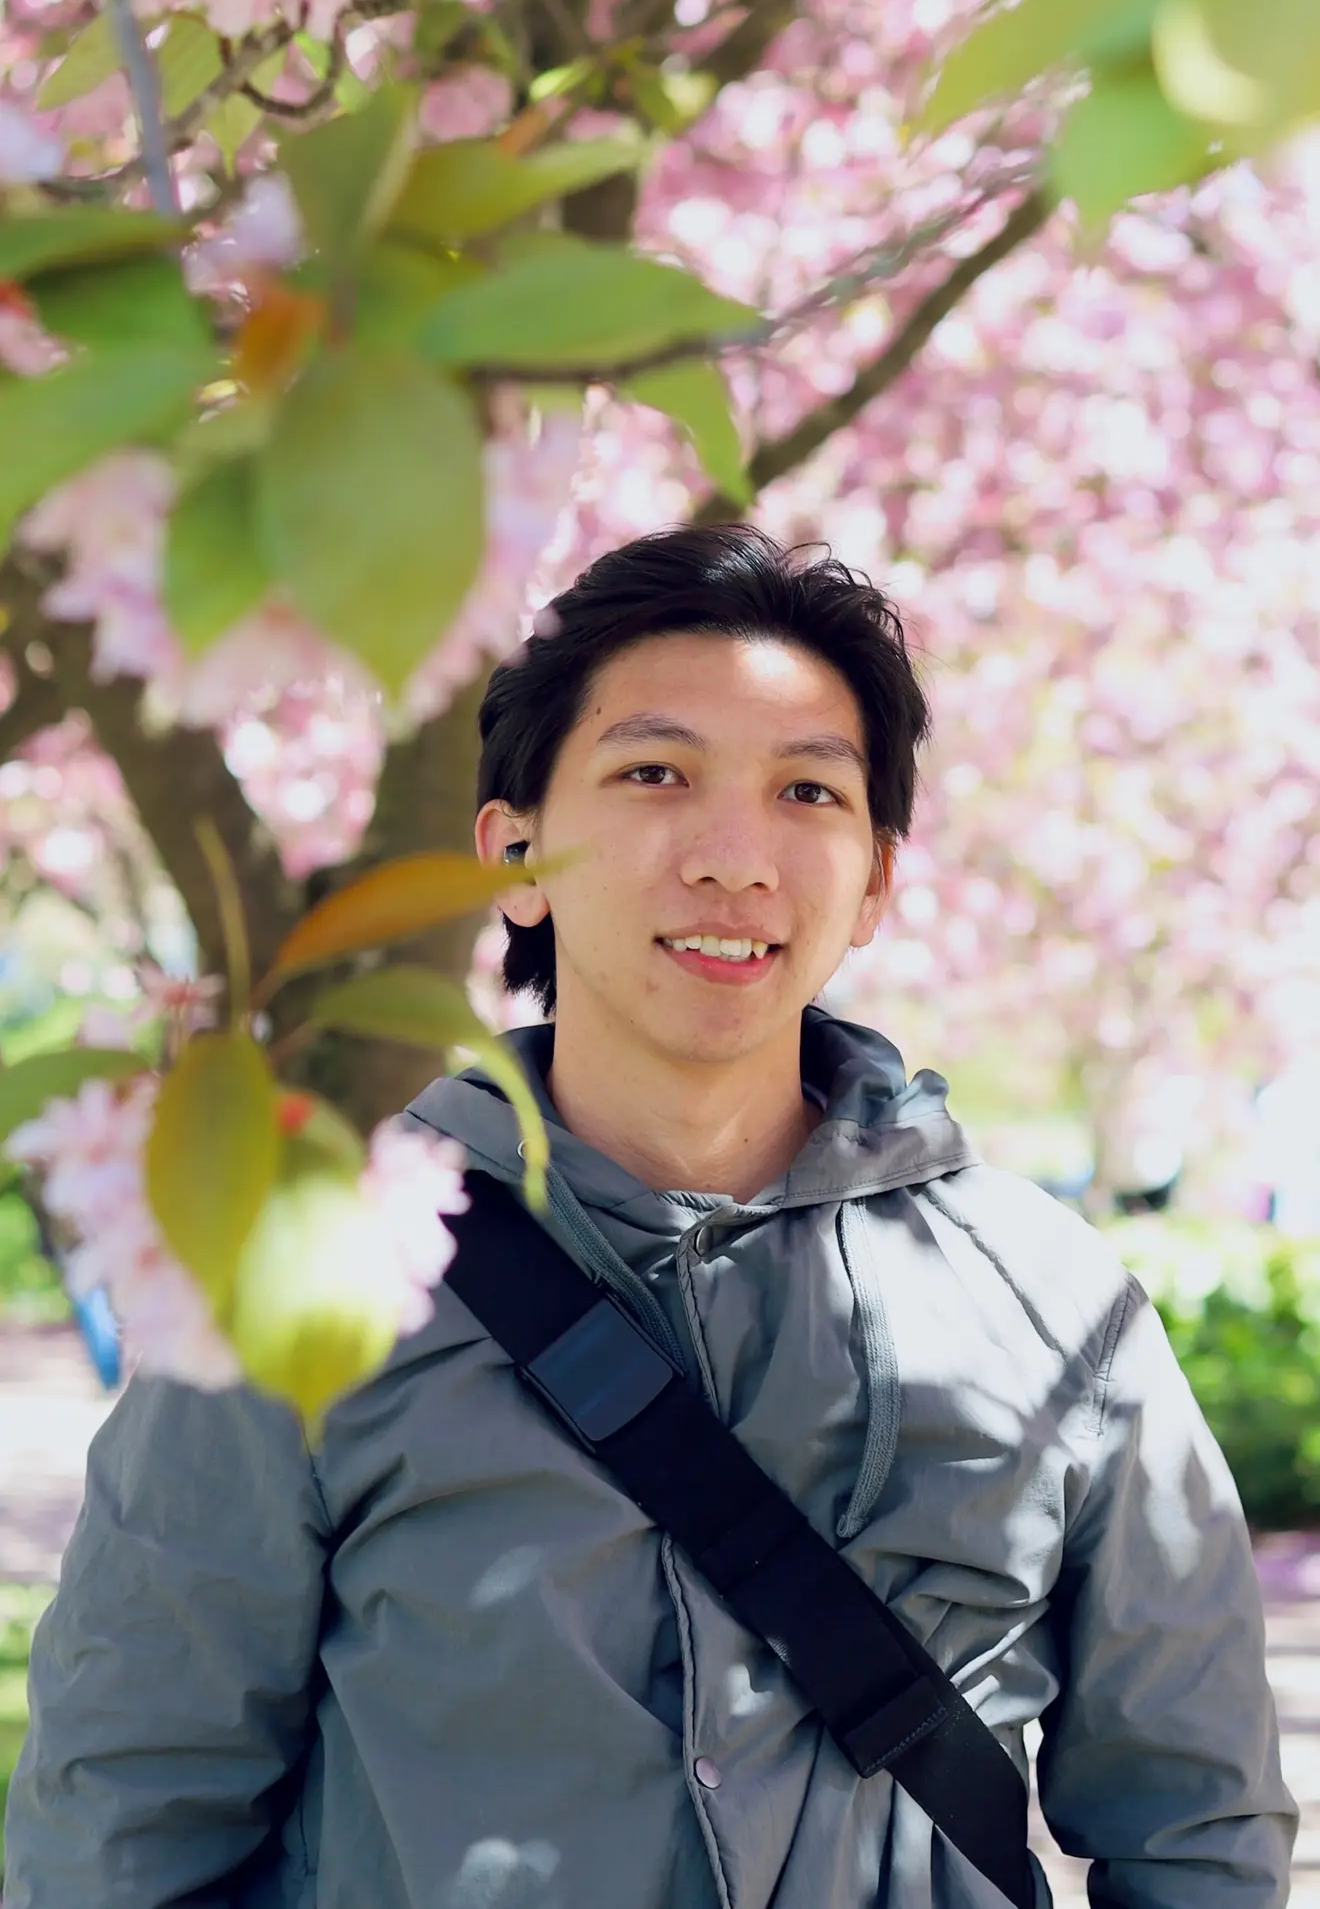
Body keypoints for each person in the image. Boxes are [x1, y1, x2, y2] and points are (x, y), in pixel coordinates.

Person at [5, 524, 1294, 1909]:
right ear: (514, 854)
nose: (735, 858)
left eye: (809, 791)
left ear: (877, 880)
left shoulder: (1057, 1313)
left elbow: (1197, 1832)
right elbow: (126, 1822)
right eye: (654, 774)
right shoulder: (313, 1286)